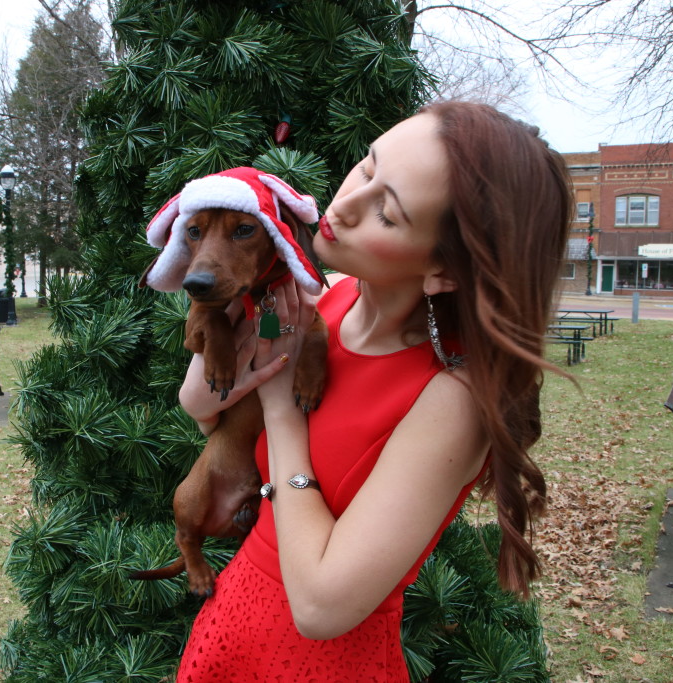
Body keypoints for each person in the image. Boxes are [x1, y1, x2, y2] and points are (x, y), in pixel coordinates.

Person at [175, 100, 572, 681]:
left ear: (445, 271)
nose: (344, 204)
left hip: (318, 663)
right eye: (367, 165)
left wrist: (282, 410)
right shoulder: (323, 299)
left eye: (386, 212)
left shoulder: (451, 399)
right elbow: (199, 405)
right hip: (228, 628)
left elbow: (320, 607)